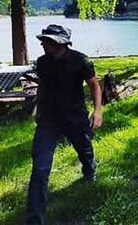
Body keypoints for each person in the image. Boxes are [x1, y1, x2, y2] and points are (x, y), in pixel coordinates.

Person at [26, 24, 103, 225]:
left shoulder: (80, 60)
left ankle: (90, 170)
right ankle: (35, 220)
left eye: (46, 41)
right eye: (43, 40)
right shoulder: (42, 62)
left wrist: (97, 111)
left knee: (84, 149)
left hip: (74, 117)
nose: (42, 44)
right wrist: (37, 107)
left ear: (59, 42)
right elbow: (43, 86)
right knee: (40, 169)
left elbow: (94, 85)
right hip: (48, 120)